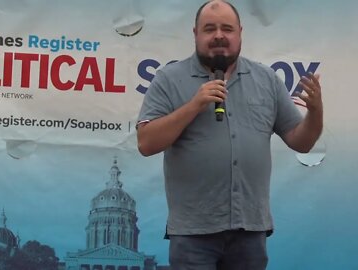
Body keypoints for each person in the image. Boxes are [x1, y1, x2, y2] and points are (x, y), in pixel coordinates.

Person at [136, 1, 323, 269]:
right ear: (195, 34)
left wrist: (315, 112)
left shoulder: (267, 79)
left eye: (227, 28)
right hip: (193, 233)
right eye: (209, 29)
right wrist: (194, 105)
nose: (219, 36)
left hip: (250, 231)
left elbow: (301, 142)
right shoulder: (168, 78)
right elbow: (146, 143)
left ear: (240, 32)